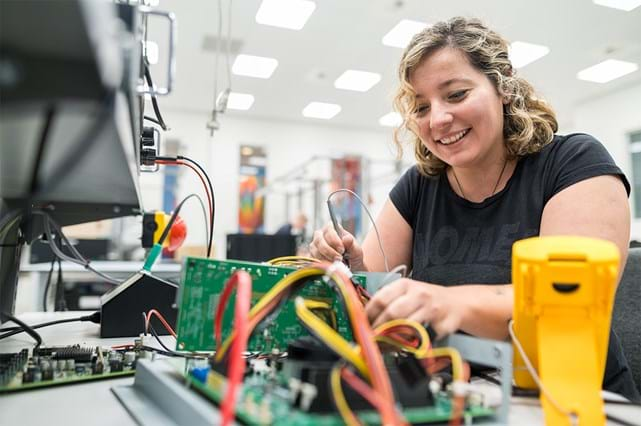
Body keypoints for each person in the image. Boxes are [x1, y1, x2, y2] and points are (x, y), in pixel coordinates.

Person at [309, 17, 640, 401]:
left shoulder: (572, 163)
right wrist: (350, 269)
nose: (438, 119)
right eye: (420, 107)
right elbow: (374, 299)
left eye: (455, 95)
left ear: (502, 88)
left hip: (571, 400)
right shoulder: (419, 186)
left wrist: (450, 302)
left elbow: (569, 304)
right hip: (454, 397)